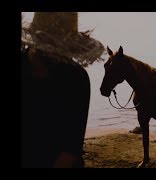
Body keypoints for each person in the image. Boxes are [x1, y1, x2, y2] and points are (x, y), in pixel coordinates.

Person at [21, 12, 104, 168]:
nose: (56, 55)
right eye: (48, 47)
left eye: (62, 49)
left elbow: (70, 149)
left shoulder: (76, 78)